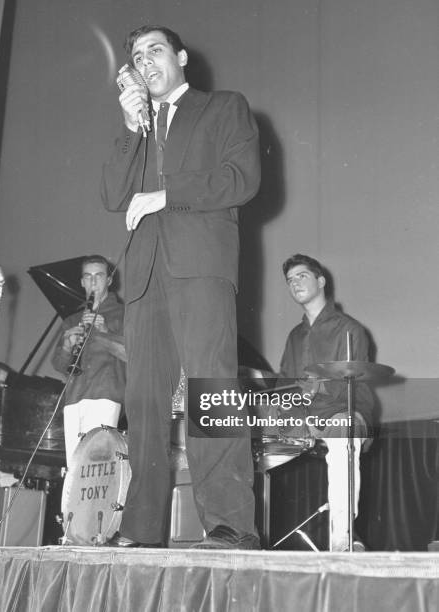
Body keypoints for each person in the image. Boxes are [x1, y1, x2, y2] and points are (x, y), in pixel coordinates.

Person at [101, 25, 261, 548]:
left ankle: (231, 527)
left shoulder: (223, 107)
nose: (146, 61)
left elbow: (243, 178)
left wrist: (167, 194)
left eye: (155, 50)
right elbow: (111, 194)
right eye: (137, 56)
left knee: (211, 392)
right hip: (146, 275)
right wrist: (130, 127)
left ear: (182, 57)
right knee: (144, 402)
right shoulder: (140, 126)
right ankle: (142, 528)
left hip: (201, 268)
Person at [279, 254, 374, 551]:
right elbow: (285, 384)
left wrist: (315, 394)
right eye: (290, 280)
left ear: (321, 281)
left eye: (302, 276)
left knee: (341, 430)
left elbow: (353, 386)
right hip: (304, 420)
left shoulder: (350, 329)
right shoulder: (294, 336)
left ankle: (343, 537)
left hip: (343, 412)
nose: (295, 283)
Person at [51, 255, 125, 467]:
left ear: (109, 281)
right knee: (75, 468)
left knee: (97, 467)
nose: (93, 283)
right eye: (88, 277)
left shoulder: (123, 314)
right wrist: (67, 346)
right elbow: (58, 364)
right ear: (82, 282)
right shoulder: (72, 320)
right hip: (74, 399)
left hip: (105, 395)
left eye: (99, 276)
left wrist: (103, 332)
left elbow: (131, 355)